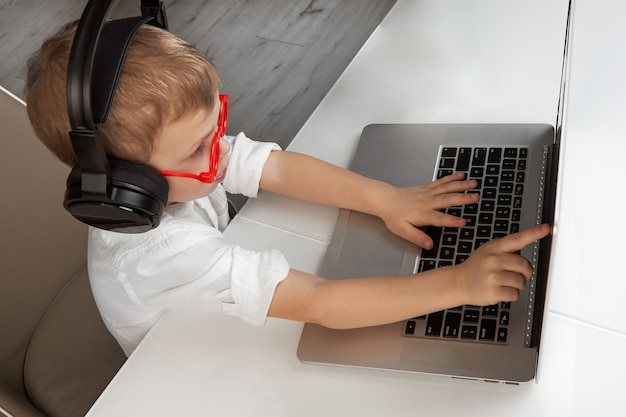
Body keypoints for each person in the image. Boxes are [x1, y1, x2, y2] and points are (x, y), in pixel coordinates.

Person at [25, 21, 550, 356]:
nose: (220, 150)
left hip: (211, 321)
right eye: (196, 150)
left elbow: (274, 168)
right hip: (184, 364)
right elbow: (322, 301)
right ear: (123, 183)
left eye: (216, 127)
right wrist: (458, 287)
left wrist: (383, 199)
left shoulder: (186, 157)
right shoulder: (159, 255)